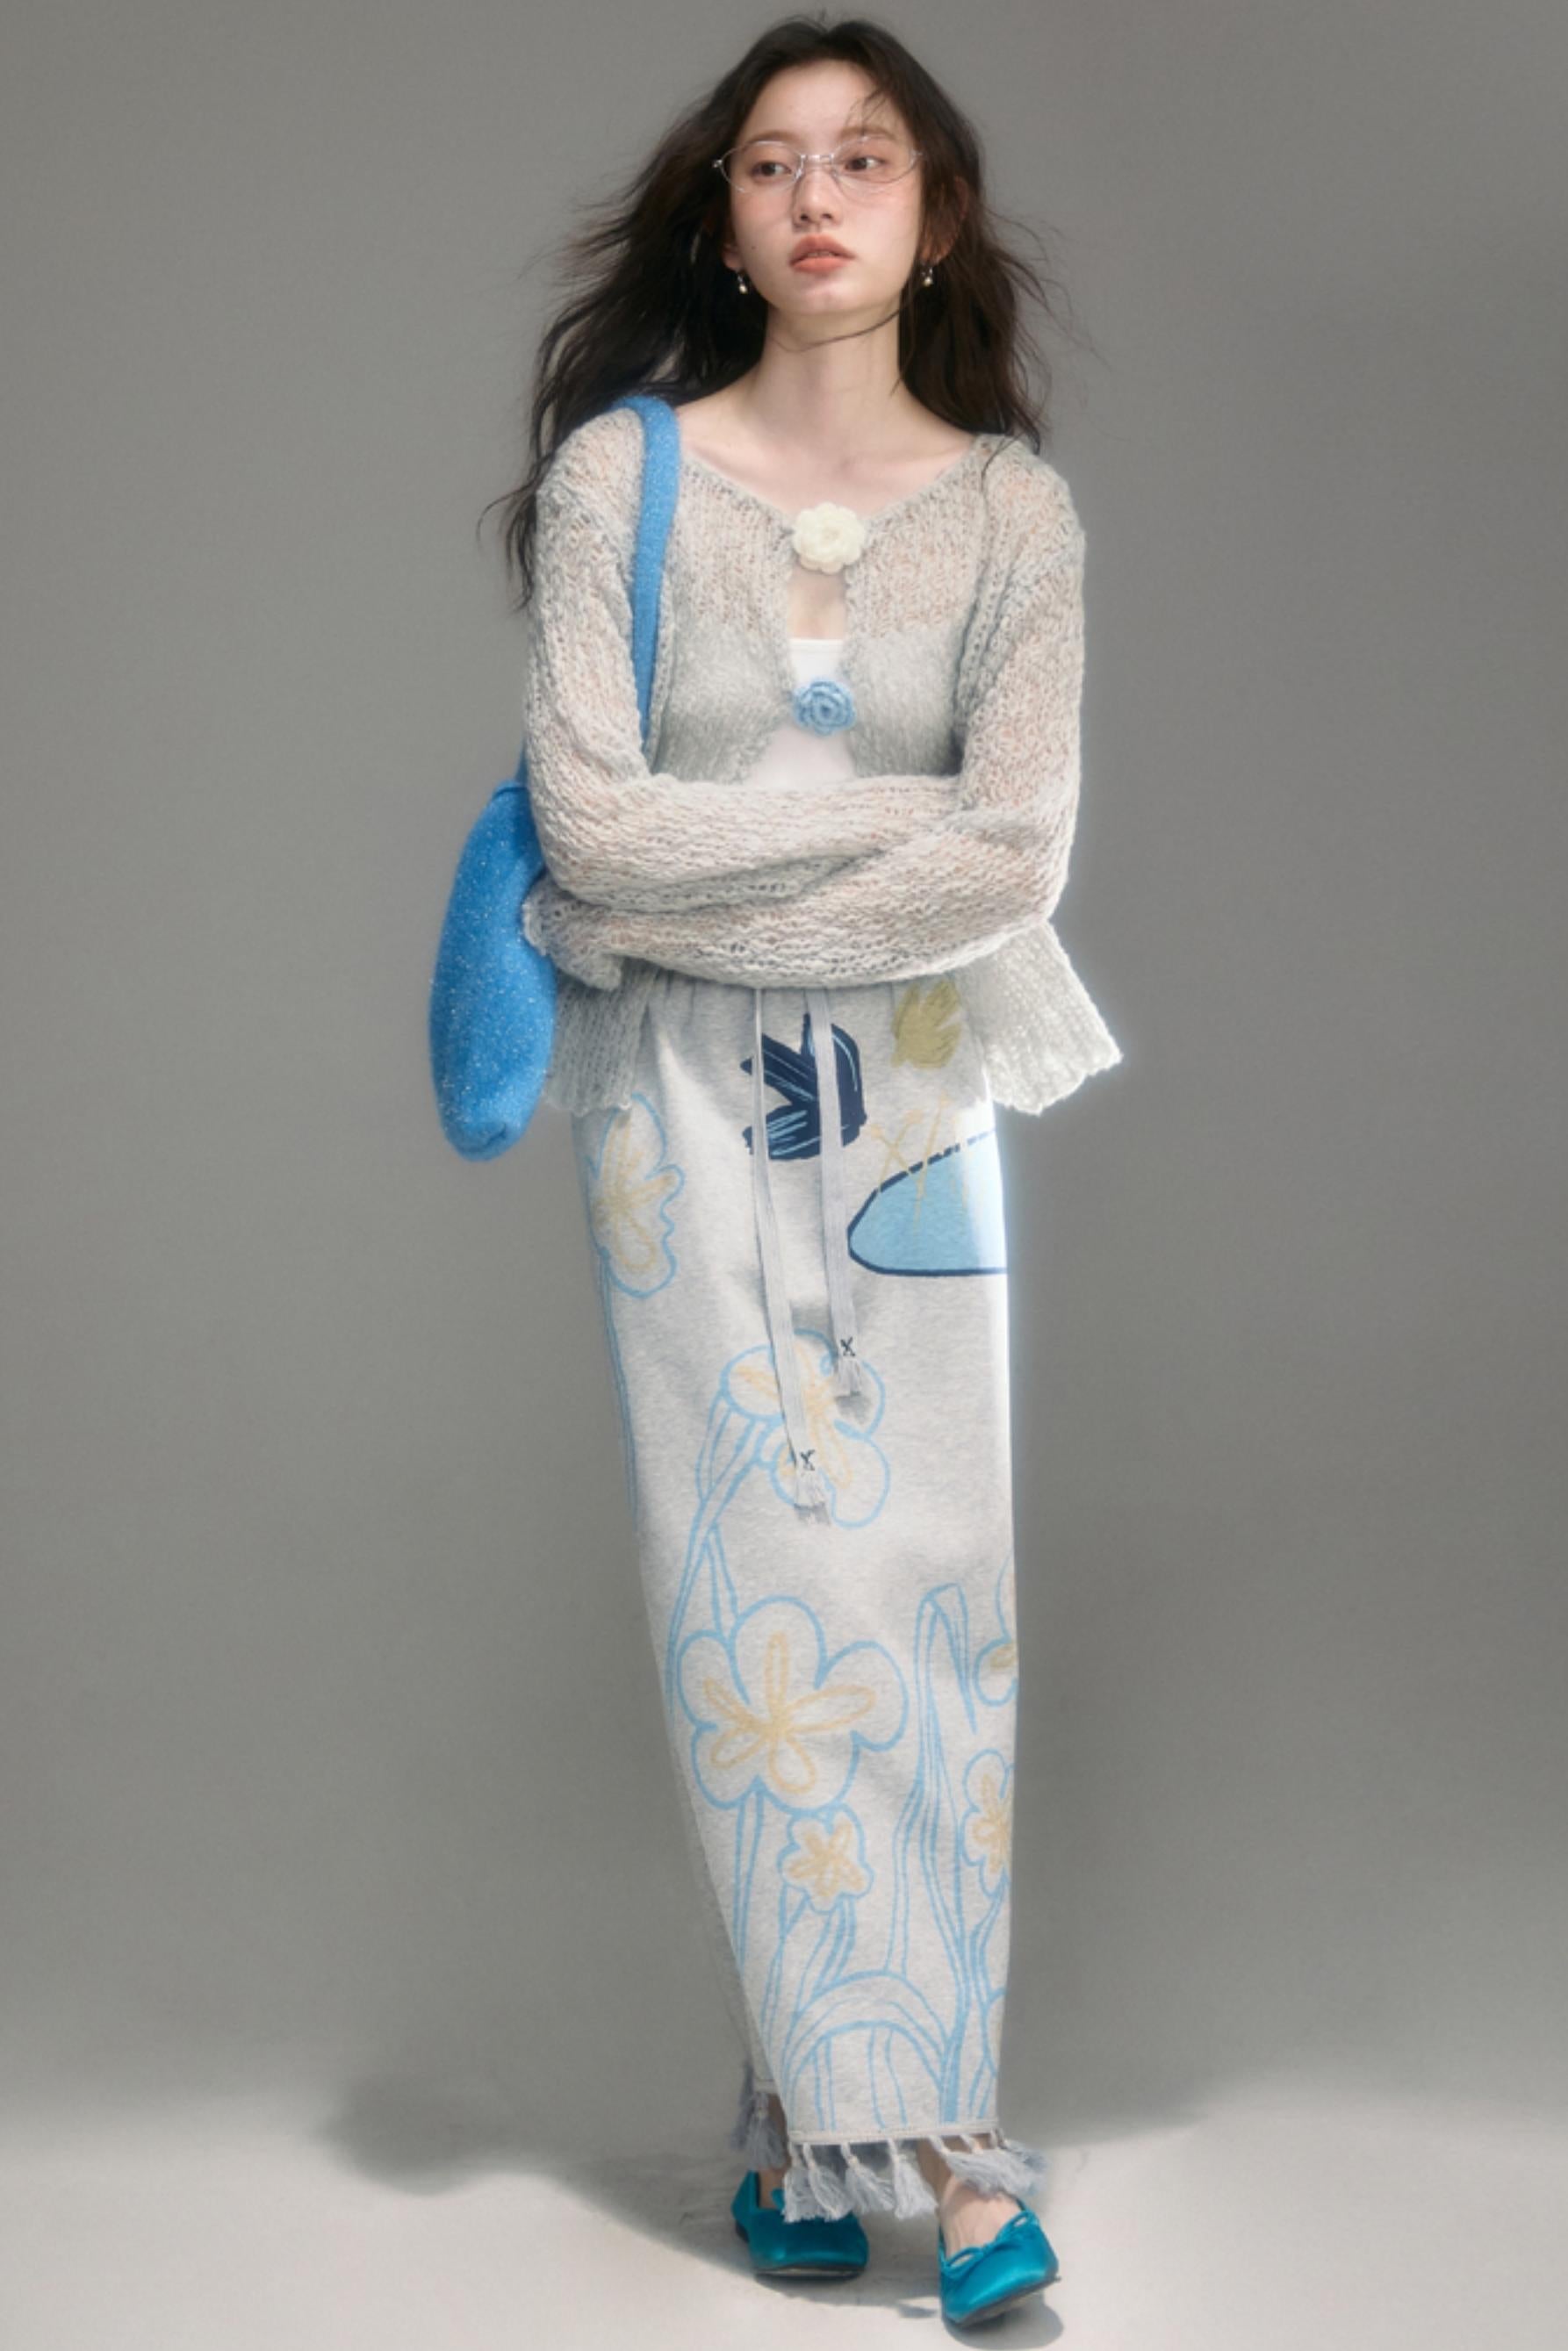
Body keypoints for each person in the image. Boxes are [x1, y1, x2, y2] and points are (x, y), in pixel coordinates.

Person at [488, 14, 1121, 2326]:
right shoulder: (619, 485)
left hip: (920, 1106)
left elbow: (1013, 863)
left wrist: (726, 873)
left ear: (933, 214)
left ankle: (899, 2124)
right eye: (772, 163)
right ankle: (861, 2112)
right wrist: (887, 838)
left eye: (864, 158)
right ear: (723, 218)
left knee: (930, 1592)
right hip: (672, 1119)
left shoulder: (1015, 516)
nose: (818, 195)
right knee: (750, 1598)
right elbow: (586, 832)